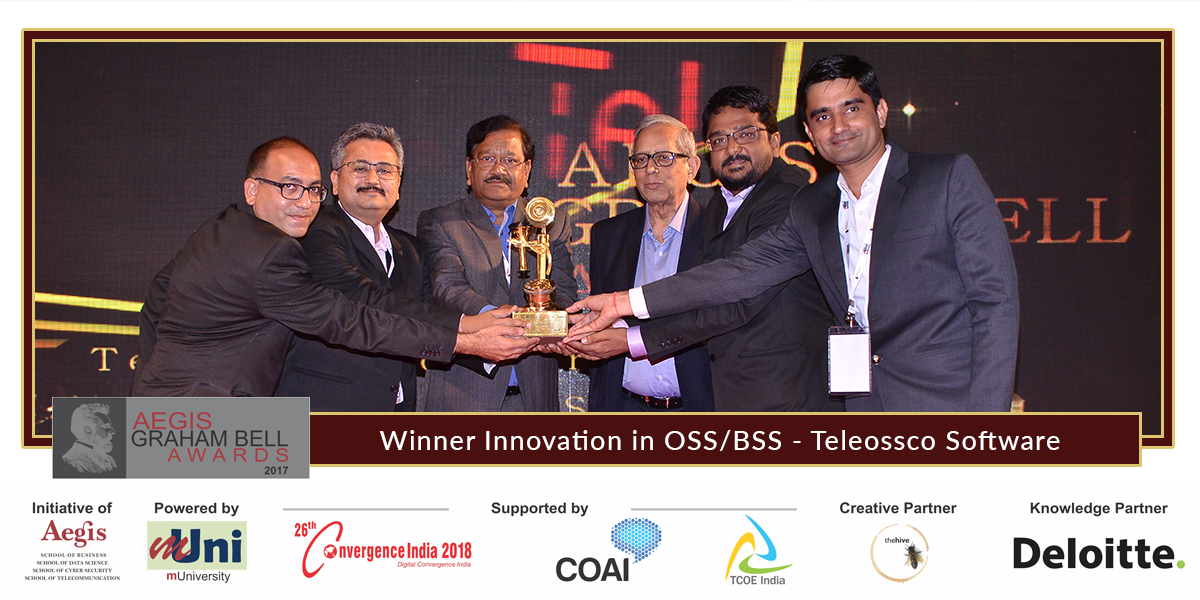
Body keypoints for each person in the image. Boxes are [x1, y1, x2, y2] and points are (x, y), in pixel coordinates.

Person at [568, 55, 1019, 412]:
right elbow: (738, 274)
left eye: (851, 108)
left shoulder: (945, 179)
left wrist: (986, 423)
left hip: (943, 403)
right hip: (860, 405)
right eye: (822, 116)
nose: (838, 126)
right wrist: (622, 302)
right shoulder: (813, 205)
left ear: (881, 111)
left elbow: (995, 304)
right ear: (808, 131)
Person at [133, 137, 533, 398]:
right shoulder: (272, 251)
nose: (305, 202)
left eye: (312, 190)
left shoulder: (221, 227)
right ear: (252, 189)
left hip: (172, 411)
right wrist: (465, 340)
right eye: (288, 187)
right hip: (207, 421)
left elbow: (157, 298)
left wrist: (157, 381)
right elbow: (348, 319)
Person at [572, 86, 838, 412]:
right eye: (719, 140)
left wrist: (627, 323)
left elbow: (733, 293)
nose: (732, 148)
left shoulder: (790, 197)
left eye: (745, 134)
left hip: (783, 399)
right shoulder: (720, 207)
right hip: (732, 400)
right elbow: (705, 297)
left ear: (774, 141)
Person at [276, 123, 475, 412]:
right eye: (360, 168)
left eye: (385, 170)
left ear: (398, 183)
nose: (373, 179)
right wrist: (470, 327)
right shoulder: (315, 230)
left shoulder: (411, 249)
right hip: (322, 412)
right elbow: (364, 298)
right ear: (334, 181)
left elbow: (430, 317)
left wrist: (507, 342)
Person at [418, 115, 577, 411]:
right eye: (487, 158)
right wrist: (501, 321)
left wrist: (551, 321)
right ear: (469, 168)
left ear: (527, 171)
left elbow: (564, 292)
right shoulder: (440, 221)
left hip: (534, 398)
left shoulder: (551, 223)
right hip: (463, 395)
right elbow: (448, 288)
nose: (498, 170)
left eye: (511, 161)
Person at [574, 114, 714, 412]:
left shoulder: (717, 231)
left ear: (691, 167)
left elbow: (713, 320)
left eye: (664, 157)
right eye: (640, 159)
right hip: (625, 407)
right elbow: (603, 324)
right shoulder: (607, 235)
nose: (650, 168)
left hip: (700, 408)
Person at [61, 403, 117, 474]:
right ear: (87, 430)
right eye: (106, 427)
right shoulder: (70, 461)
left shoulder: (109, 459)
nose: (113, 431)